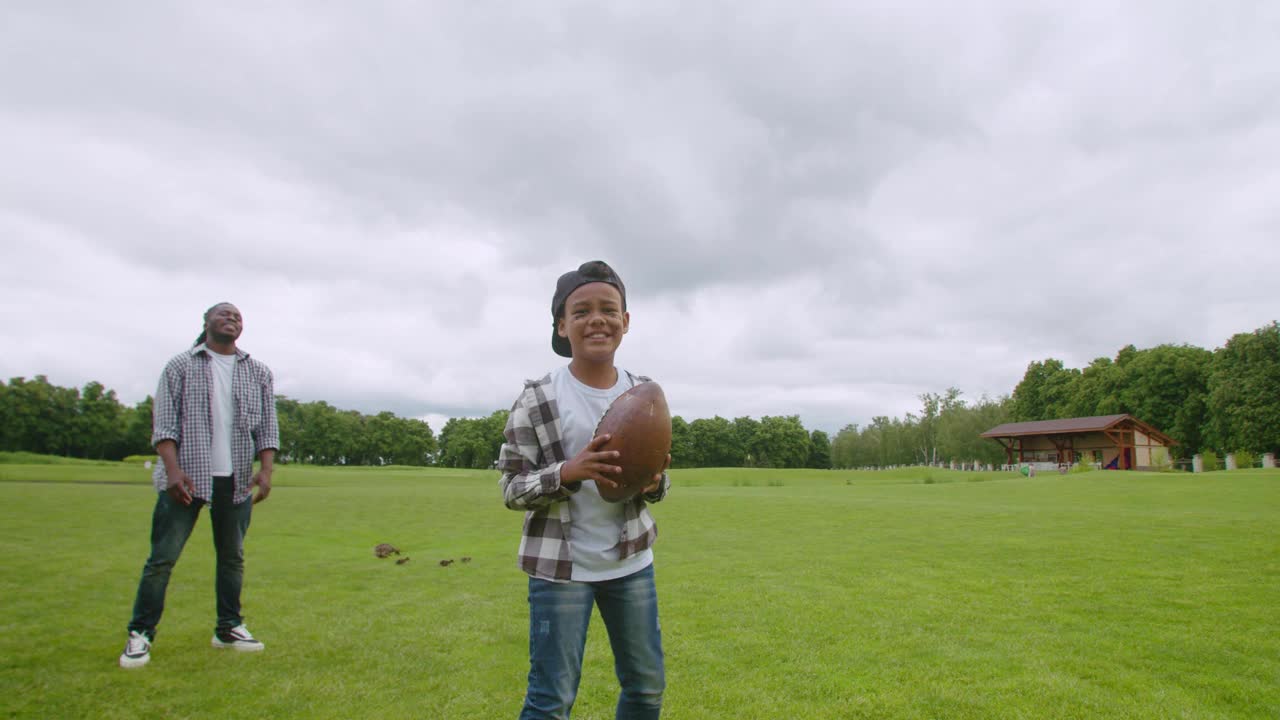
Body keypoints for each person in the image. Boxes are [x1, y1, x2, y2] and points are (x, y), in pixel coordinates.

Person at [499, 260, 671, 719]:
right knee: (551, 701)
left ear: (626, 322)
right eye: (581, 311)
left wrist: (655, 482)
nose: (597, 319)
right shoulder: (538, 397)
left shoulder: (643, 392)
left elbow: (654, 482)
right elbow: (511, 488)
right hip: (560, 571)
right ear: (562, 325)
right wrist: (569, 472)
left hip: (630, 563)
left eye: (609, 309)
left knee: (647, 689)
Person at [118, 302, 279, 668]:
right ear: (206, 322)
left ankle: (229, 627)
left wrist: (266, 471)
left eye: (237, 316)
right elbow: (164, 425)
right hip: (187, 478)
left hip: (235, 479)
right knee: (162, 560)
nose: (231, 319)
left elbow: (268, 428)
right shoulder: (180, 366)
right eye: (223, 314)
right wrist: (172, 472)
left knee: (232, 559)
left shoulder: (258, 372)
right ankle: (140, 633)